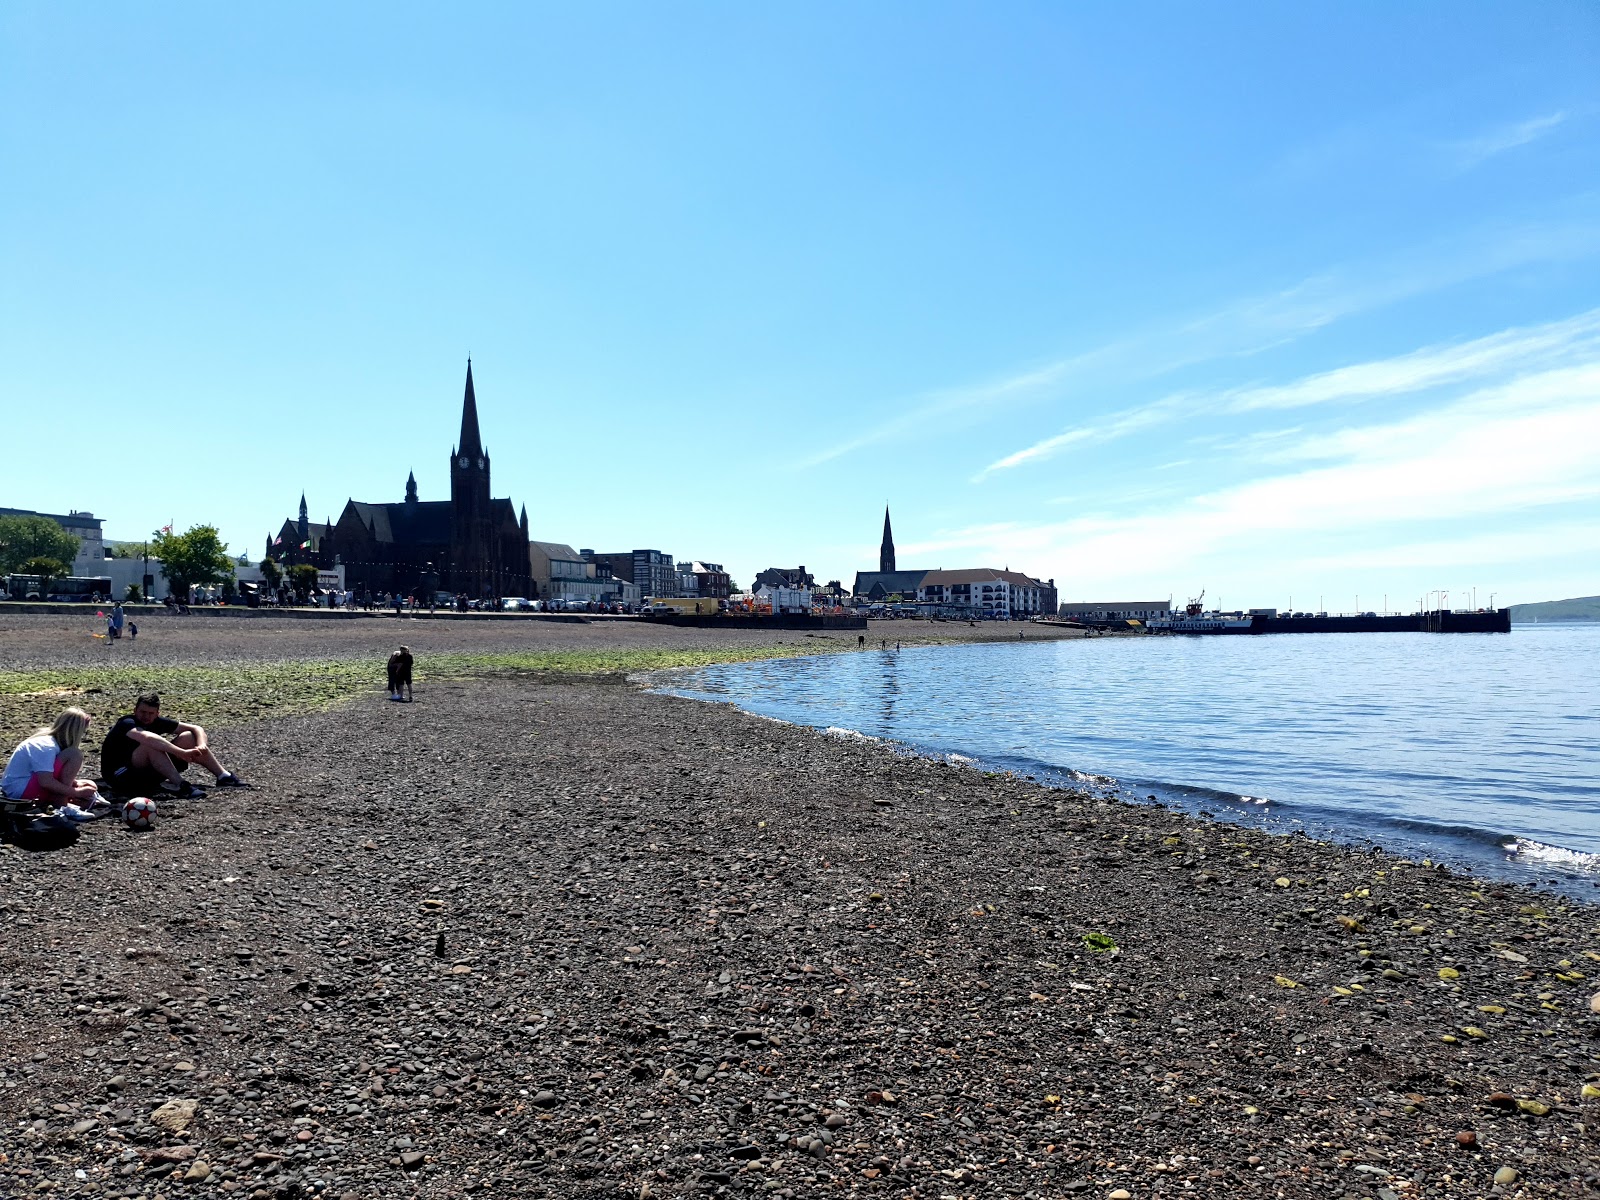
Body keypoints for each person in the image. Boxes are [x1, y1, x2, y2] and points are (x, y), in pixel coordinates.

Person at [101, 693, 245, 798]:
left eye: (150, 713)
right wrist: (181, 752)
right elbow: (146, 737)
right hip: (120, 775)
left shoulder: (156, 721)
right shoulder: (127, 722)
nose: (146, 716)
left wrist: (202, 745)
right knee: (150, 745)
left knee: (188, 737)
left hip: (146, 772)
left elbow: (196, 728)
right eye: (142, 712)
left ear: (157, 713)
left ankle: (223, 776)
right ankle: (181, 785)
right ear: (135, 710)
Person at [2, 708, 107, 820]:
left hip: (22, 785)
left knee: (89, 784)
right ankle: (62, 805)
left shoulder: (50, 743)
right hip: (20, 792)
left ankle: (63, 801)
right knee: (74, 754)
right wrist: (76, 793)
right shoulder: (46, 746)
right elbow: (46, 782)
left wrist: (76, 785)